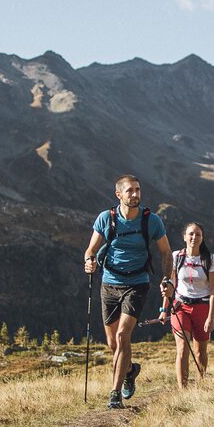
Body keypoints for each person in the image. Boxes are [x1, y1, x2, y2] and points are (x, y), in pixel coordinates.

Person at [84, 175, 173, 409]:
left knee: (124, 336)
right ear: (119, 195)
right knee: (113, 342)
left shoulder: (151, 221)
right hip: (109, 283)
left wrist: (166, 278)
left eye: (138, 190)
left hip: (138, 282)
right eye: (130, 191)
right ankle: (131, 370)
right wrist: (89, 262)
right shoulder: (106, 218)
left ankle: (114, 393)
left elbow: (166, 252)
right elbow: (90, 250)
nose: (135, 194)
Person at [161, 221, 214, 389]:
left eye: (198, 234)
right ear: (184, 236)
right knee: (182, 349)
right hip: (180, 307)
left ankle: (201, 385)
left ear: (202, 238)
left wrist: (211, 317)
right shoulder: (176, 256)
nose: (194, 237)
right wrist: (164, 310)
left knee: (200, 352)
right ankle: (183, 390)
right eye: (191, 234)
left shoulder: (209, 259)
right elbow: (169, 285)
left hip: (202, 307)